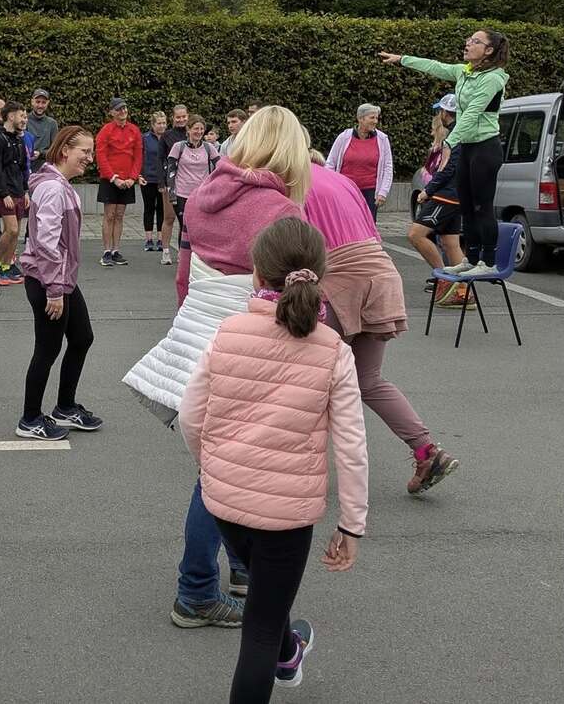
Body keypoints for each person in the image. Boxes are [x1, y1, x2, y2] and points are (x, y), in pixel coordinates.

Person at [126, 107, 321, 631]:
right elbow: (295, 302)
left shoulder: (204, 195)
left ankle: (238, 569)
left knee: (218, 464)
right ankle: (194, 591)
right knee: (221, 475)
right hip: (253, 350)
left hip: (200, 337)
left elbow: (184, 275)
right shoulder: (283, 211)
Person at [179, 217, 368, 703]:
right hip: (288, 513)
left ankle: (289, 654)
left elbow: (191, 415)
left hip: (226, 500)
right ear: (320, 276)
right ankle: (282, 654)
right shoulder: (333, 351)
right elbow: (351, 444)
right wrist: (351, 524)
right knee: (261, 625)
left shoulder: (228, 333)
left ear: (257, 273)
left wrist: (210, 465)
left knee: (266, 599)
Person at [305, 156, 459, 493]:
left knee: (310, 377)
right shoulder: (342, 181)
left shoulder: (292, 185)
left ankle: (299, 466)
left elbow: (294, 249)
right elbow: (372, 232)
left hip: (340, 281)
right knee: (368, 379)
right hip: (380, 273)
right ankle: (426, 451)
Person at [380, 29, 510, 275]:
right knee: (467, 207)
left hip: (485, 147)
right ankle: (471, 259)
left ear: (489, 50)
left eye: (475, 41)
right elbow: (435, 66)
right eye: (469, 40)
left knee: (482, 206)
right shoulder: (464, 72)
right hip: (468, 146)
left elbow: (472, 113)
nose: (468, 44)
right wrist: (402, 59)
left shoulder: (494, 78)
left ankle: (488, 263)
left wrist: (451, 141)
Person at [17, 126, 101, 441]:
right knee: (48, 348)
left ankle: (65, 407)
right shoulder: (52, 188)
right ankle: (29, 419)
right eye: (85, 152)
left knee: (82, 337)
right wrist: (54, 289)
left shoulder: (60, 185)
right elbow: (46, 244)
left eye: (91, 152)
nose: (90, 158)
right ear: (65, 150)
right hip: (48, 280)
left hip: (60, 278)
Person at [408, 106, 469, 307]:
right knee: (451, 243)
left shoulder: (455, 135)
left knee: (416, 234)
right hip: (456, 195)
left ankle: (444, 278)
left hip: (446, 196)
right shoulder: (461, 131)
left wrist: (428, 190)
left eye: (439, 111)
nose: (438, 115)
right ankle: (463, 293)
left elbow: (448, 168)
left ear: (445, 112)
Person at [0, 100, 29, 286]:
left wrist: (25, 191)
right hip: (5, 193)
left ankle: (6, 266)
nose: (24, 119)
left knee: (15, 233)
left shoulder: (19, 140)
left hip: (18, 191)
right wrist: (3, 193)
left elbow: (23, 168)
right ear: (10, 116)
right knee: (12, 229)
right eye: (21, 116)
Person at [95, 97, 142, 267]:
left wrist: (132, 178)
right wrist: (113, 178)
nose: (123, 111)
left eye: (124, 108)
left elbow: (138, 156)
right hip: (110, 179)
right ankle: (106, 251)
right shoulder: (106, 130)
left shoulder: (134, 130)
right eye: (119, 109)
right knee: (109, 215)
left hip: (127, 180)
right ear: (112, 112)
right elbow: (101, 155)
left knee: (120, 215)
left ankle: (116, 250)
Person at [325, 103, 394, 219]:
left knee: (368, 224)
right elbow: (330, 163)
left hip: (370, 192)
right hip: (345, 190)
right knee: (345, 221)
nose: (375, 121)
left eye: (376, 118)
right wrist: (330, 185)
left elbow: (388, 167)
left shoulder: (382, 139)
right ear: (360, 119)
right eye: (372, 118)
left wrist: (383, 192)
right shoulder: (344, 137)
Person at [165, 115, 220, 257]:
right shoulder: (178, 147)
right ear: (188, 130)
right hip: (182, 193)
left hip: (201, 194)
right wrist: (171, 193)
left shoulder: (209, 148)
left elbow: (220, 167)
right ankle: (183, 256)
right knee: (185, 225)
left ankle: (198, 256)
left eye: (202, 129)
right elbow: (171, 171)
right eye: (196, 128)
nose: (199, 132)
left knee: (200, 226)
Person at [141, 111, 169, 254]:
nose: (162, 126)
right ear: (153, 124)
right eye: (159, 123)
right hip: (148, 178)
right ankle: (148, 239)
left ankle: (160, 239)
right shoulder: (145, 138)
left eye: (164, 123)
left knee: (162, 209)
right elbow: (139, 157)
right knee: (149, 208)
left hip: (164, 179)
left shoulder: (169, 138)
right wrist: (139, 174)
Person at [27, 88, 58, 169]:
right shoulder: (24, 120)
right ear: (32, 102)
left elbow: (55, 150)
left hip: (45, 168)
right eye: (37, 102)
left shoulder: (52, 123)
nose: (40, 106)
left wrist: (40, 154)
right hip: (26, 167)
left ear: (48, 103)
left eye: (43, 102)